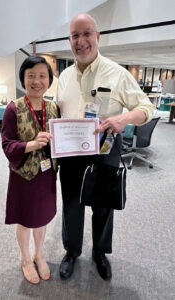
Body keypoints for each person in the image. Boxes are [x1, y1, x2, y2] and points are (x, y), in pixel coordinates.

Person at [57, 13, 154, 281]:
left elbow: (146, 107)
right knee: (71, 205)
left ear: (97, 37)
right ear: (70, 40)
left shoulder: (118, 73)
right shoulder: (64, 76)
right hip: (71, 153)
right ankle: (72, 251)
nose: (81, 41)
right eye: (75, 35)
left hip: (104, 149)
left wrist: (123, 118)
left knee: (103, 206)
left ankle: (100, 252)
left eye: (86, 33)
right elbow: (57, 109)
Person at [1, 56, 59, 284]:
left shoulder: (54, 107)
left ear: (49, 80)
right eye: (31, 76)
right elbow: (7, 145)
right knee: (25, 219)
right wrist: (32, 144)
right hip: (23, 176)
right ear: (23, 79)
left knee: (42, 217)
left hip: (47, 174)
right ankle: (26, 259)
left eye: (42, 76)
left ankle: (39, 254)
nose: (37, 81)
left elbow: (61, 139)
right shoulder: (13, 109)